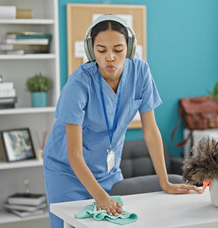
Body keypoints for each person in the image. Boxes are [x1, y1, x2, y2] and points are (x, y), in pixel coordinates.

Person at [43, 14, 199, 227]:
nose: (110, 57)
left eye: (118, 50)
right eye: (101, 50)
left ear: (129, 48)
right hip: (67, 170)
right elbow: (74, 153)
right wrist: (99, 197)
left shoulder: (141, 72)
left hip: (108, 170)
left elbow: (150, 131)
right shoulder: (79, 83)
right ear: (91, 50)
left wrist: (165, 182)